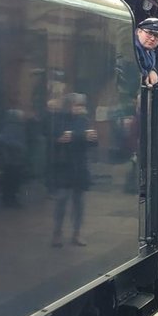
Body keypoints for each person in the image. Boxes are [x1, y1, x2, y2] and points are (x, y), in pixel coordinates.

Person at [48, 93, 97, 247]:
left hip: (80, 167)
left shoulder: (84, 120)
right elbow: (56, 138)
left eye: (81, 106)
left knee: (79, 203)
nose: (79, 109)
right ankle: (57, 233)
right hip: (64, 166)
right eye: (76, 105)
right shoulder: (60, 120)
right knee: (61, 200)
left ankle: (77, 233)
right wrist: (78, 137)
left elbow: (89, 142)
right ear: (69, 106)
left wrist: (92, 138)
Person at [133, 17, 158, 88]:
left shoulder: (150, 50)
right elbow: (133, 67)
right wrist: (146, 74)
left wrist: (153, 70)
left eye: (157, 35)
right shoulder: (132, 47)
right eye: (149, 33)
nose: (152, 38)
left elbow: (149, 65)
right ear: (139, 31)